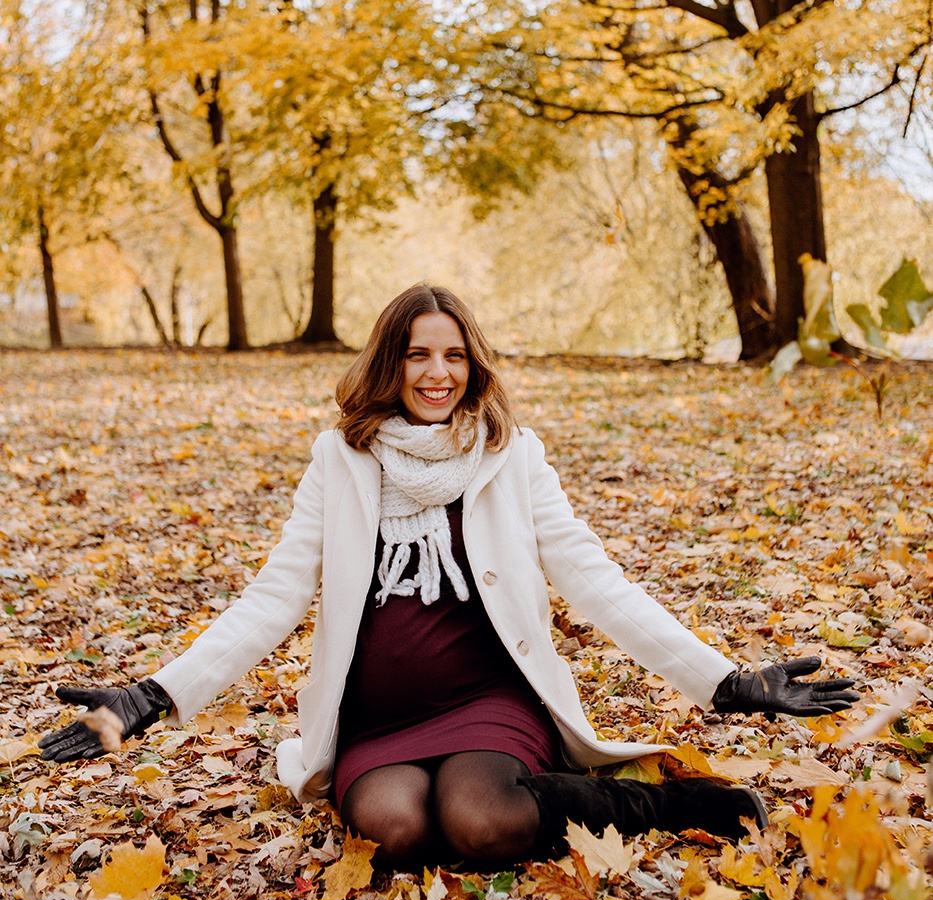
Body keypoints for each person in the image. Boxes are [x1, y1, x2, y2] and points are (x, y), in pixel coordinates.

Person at [40, 285, 860, 868]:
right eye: (417, 354)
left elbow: (595, 581)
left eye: (454, 356)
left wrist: (728, 683)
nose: (437, 373)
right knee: (393, 834)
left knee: (483, 825)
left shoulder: (511, 458)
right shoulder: (341, 459)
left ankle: (667, 808)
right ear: (388, 363)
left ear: (474, 365)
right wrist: (151, 696)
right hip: (376, 719)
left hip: (485, 703)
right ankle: (468, 795)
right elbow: (276, 596)